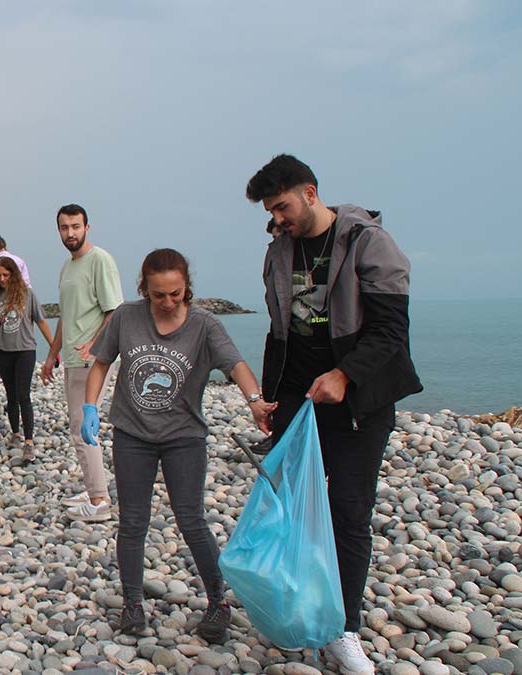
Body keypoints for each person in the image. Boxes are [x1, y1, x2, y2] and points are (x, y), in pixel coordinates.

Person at [246, 154, 421, 674]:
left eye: (282, 207)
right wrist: (269, 400)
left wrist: (345, 376)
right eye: (272, 212)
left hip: (358, 404)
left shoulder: (369, 242)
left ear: (311, 193)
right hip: (299, 400)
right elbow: (280, 335)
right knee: (287, 509)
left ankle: (343, 629)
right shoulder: (279, 252)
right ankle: (297, 606)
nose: (278, 220)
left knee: (348, 514)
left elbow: (391, 333)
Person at [81, 248, 274, 643]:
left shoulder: (204, 325)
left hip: (184, 437)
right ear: (144, 290)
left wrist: (254, 401)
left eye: (176, 293)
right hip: (132, 434)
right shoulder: (126, 317)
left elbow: (234, 365)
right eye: (159, 295)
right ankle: (133, 604)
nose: (168, 302)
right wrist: (89, 407)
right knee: (132, 523)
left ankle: (219, 602)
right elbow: (101, 362)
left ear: (187, 288)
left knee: (191, 519)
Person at [39, 204, 123, 522]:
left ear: (88, 227)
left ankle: (99, 501)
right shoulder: (67, 268)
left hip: (92, 361)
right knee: (77, 426)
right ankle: (92, 490)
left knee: (83, 427)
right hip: (72, 360)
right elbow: (66, 316)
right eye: (64, 227)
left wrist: (94, 345)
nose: (70, 233)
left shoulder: (100, 260)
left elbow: (115, 310)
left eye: (76, 226)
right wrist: (51, 356)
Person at [0, 256, 53, 462]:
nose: (2, 279)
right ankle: (15, 433)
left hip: (25, 351)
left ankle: (29, 442)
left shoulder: (27, 295)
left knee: (23, 395)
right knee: (11, 395)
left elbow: (41, 321)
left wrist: (54, 348)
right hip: (2, 351)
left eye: (6, 275)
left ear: (14, 275)